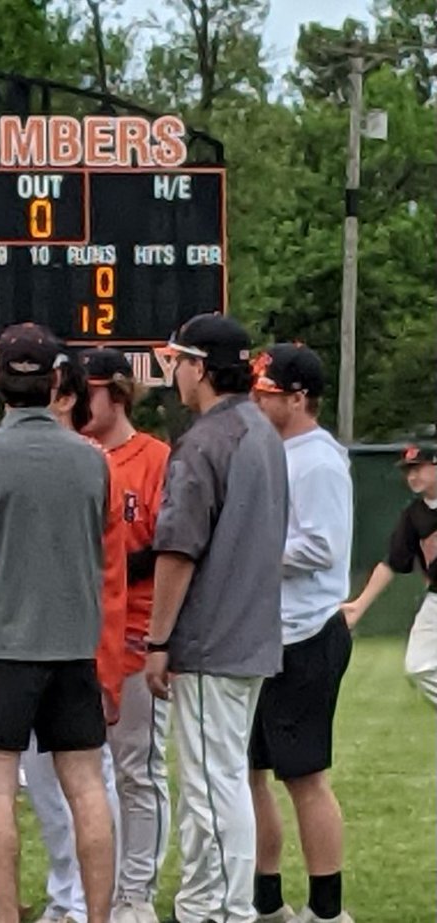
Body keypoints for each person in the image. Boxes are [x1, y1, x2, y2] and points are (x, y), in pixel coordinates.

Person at [0, 324, 116, 923]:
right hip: (72, 645)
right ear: (57, 382)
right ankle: (99, 916)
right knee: (87, 787)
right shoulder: (93, 462)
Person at [145, 314, 288, 923]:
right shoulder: (262, 430)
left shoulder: (205, 440)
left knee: (212, 787)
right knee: (219, 778)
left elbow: (179, 549)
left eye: (178, 360)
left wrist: (157, 640)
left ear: (200, 367)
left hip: (212, 640)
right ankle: (204, 904)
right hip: (252, 632)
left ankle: (230, 911)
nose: (172, 371)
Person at [249, 344, 355, 923]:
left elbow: (322, 546)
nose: (259, 399)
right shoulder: (279, 452)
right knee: (250, 772)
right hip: (270, 634)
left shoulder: (317, 459)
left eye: (269, 392)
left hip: (306, 632)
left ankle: (327, 910)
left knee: (305, 776)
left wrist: (248, 550)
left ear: (299, 397)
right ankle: (266, 902)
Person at [19, 355, 126, 923]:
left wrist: (106, 665)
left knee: (89, 783)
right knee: (43, 787)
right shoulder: (10, 461)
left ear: (65, 399)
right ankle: (67, 896)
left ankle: (91, 904)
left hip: (78, 647)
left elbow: (109, 579)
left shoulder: (95, 464)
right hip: (24, 646)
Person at [79, 348, 172, 923]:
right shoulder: (71, 456)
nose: (73, 401)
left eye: (84, 390)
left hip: (136, 628)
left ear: (116, 392)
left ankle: (135, 892)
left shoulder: (156, 457)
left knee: (136, 768)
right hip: (77, 635)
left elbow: (166, 548)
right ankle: (88, 893)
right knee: (84, 774)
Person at [342, 443, 437, 706]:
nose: (412, 476)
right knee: (419, 666)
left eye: (418, 468)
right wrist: (359, 605)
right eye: (408, 471)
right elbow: (391, 563)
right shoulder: (414, 515)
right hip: (435, 599)